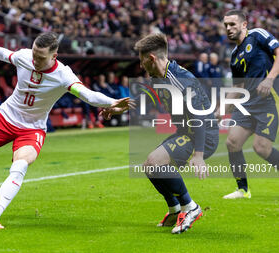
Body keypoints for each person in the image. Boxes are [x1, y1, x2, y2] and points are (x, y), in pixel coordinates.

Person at [0, 32, 132, 229]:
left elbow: (86, 94)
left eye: (40, 58)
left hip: (32, 129)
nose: (35, 60)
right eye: (34, 54)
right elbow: (1, 53)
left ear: (54, 57)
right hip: (5, 117)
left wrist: (112, 102)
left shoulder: (63, 75)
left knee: (20, 165)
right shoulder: (24, 57)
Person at [103, 33, 219, 234]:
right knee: (149, 166)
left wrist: (199, 155)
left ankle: (190, 207)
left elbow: (199, 117)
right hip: (186, 131)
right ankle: (174, 209)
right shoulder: (158, 76)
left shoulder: (182, 79)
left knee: (156, 161)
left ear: (151, 58)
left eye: (141, 61)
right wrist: (122, 108)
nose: (140, 66)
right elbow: (148, 96)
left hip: (203, 135)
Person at [218, 10, 279, 199]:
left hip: (268, 99)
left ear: (244, 25)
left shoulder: (257, 35)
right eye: (226, 25)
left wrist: (269, 79)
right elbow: (238, 86)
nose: (228, 28)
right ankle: (243, 190)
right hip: (247, 103)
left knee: (261, 148)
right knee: (232, 142)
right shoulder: (235, 55)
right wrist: (223, 108)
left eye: (233, 24)